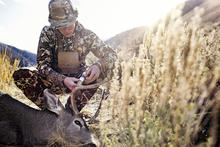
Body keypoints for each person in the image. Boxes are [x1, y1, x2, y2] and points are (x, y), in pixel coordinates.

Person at [13, 0, 117, 111]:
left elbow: (111, 55)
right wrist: (63, 79)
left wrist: (98, 65)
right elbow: (42, 66)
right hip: (53, 81)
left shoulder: (87, 35)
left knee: (106, 69)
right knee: (21, 75)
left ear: (75, 17)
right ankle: (55, 111)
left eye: (69, 24)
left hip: (79, 83)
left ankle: (70, 112)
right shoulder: (48, 33)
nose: (67, 30)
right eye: (61, 26)